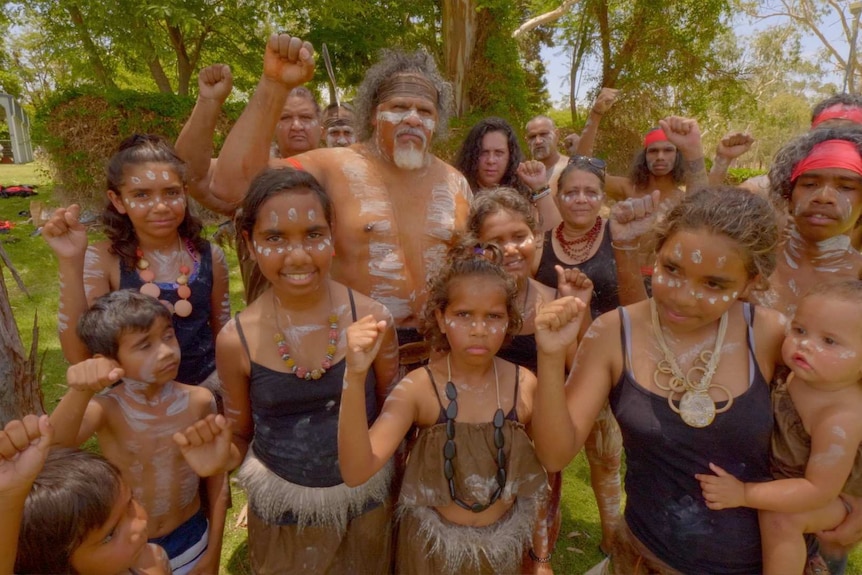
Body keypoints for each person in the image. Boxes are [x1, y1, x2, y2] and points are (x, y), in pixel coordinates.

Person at [533, 186, 803, 573]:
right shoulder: (614, 333)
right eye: (672, 269)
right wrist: (550, 354)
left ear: (749, 283)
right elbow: (555, 454)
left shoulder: (770, 335)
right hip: (649, 560)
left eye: (714, 284)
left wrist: (847, 505)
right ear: (656, 253)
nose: (682, 297)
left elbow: (832, 421)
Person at [174, 168, 399, 573]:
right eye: (275, 239)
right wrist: (222, 458)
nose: (297, 256)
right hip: (282, 512)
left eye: (313, 234)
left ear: (332, 236)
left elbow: (391, 412)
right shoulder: (236, 339)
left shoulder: (373, 320)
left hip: (365, 505)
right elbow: (241, 431)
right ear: (250, 242)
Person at [210, 34, 472, 372]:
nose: (412, 118)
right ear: (375, 115)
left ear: (437, 121)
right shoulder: (332, 167)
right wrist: (273, 85)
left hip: (439, 356)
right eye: (398, 108)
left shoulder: (456, 184)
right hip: (354, 353)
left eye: (424, 110)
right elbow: (234, 185)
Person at [338, 237, 588, 574]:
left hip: (501, 558)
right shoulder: (420, 389)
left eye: (493, 316)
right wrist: (354, 377)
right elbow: (356, 470)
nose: (479, 329)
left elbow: (551, 463)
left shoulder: (523, 385)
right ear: (441, 318)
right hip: (429, 556)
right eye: (464, 314)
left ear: (509, 320)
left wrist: (552, 354)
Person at [49, 291, 226, 575]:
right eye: (145, 345)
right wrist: (81, 390)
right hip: (131, 545)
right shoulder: (106, 408)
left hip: (193, 537)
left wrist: (214, 550)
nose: (167, 351)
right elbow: (53, 447)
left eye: (168, 336)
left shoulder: (200, 400)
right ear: (109, 361)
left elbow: (218, 480)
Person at [697, 280, 862, 575]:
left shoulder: (839, 417)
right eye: (799, 330)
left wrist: (745, 494)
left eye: (829, 341)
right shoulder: (800, 374)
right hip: (797, 479)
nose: (805, 344)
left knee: (780, 519)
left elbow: (818, 490)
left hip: (834, 497)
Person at [42, 134, 230, 389]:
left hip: (205, 397)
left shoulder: (210, 257)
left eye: (171, 193)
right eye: (141, 195)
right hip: (133, 408)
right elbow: (80, 356)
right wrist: (70, 261)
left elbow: (225, 341)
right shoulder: (104, 260)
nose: (160, 206)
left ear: (185, 194)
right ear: (118, 200)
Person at [4, 415, 171, 575]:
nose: (139, 525)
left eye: (130, 503)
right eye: (110, 535)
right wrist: (10, 496)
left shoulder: (151, 560)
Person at [752, 127, 862, 319]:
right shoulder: (752, 264)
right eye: (810, 184)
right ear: (789, 194)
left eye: (846, 187)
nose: (824, 197)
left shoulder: (858, 279)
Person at [454, 116, 557, 230]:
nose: (491, 160)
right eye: (483, 152)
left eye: (499, 153)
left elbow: (553, 235)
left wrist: (540, 187)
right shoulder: (456, 191)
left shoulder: (523, 192)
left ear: (510, 156)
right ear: (472, 155)